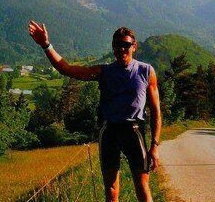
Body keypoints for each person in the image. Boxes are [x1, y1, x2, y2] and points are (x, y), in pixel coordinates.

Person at [28, 20, 161, 202]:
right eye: (117, 45)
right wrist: (46, 45)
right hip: (110, 132)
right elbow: (66, 69)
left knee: (143, 186)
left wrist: (154, 145)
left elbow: (156, 110)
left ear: (134, 46)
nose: (121, 49)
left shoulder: (146, 71)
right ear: (113, 48)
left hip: (134, 131)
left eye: (126, 45)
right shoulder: (104, 72)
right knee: (111, 189)